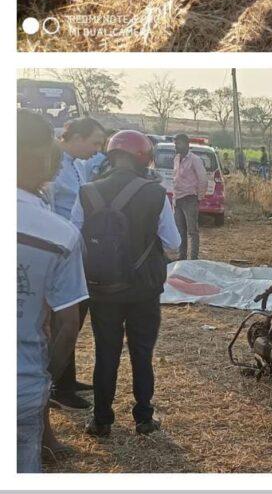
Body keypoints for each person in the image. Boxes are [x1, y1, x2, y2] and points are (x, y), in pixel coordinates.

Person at [70, 130, 180, 436]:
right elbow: (173, 242)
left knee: (105, 353)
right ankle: (144, 417)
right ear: (144, 158)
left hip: (101, 288)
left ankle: (101, 420)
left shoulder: (86, 191)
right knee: (141, 353)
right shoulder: (155, 194)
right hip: (143, 290)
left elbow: (72, 238)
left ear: (110, 155)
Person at [17, 111, 88, 472]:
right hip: (21, 389)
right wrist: (46, 381)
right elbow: (67, 327)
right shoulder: (59, 235)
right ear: (45, 159)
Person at [49, 118, 105, 411]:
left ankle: (67, 379)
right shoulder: (52, 166)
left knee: (75, 317)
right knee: (63, 322)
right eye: (94, 143)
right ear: (77, 137)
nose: (97, 151)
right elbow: (49, 208)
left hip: (76, 252)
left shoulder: (79, 166)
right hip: (57, 253)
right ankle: (56, 386)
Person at [172, 134, 208, 260]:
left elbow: (203, 179)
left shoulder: (194, 159)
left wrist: (199, 197)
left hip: (190, 198)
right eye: (175, 143)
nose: (176, 146)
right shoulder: (176, 158)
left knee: (192, 231)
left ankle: (193, 259)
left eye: (178, 143)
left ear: (187, 144)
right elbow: (175, 178)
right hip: (178, 199)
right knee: (180, 231)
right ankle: (182, 258)